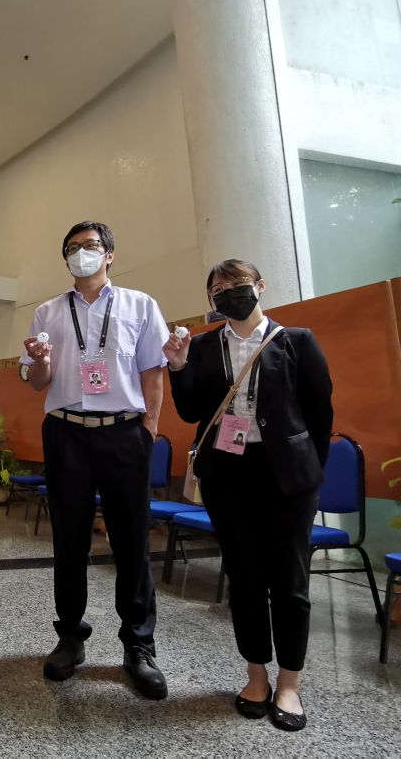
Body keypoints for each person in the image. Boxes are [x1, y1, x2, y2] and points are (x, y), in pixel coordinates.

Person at [165, 259, 332, 732]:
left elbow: (320, 412)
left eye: (237, 284)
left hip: (287, 480)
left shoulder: (297, 341)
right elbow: (192, 409)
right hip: (228, 475)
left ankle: (290, 683)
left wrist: (308, 474)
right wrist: (178, 366)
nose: (228, 292)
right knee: (244, 576)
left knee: (290, 580)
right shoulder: (201, 345)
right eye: (217, 288)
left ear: (260, 286)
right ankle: (256, 676)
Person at [20, 221, 170, 699]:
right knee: (68, 541)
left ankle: (138, 646)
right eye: (72, 248)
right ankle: (70, 637)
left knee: (132, 544)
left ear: (109, 254)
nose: (81, 254)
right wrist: (40, 359)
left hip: (125, 432)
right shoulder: (47, 311)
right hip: (66, 432)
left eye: (90, 246)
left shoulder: (140, 305)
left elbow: (153, 373)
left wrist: (149, 429)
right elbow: (36, 381)